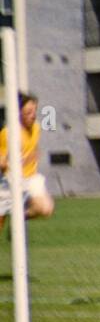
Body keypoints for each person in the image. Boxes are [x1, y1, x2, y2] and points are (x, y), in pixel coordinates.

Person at [0, 92, 56, 232]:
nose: (33, 115)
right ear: (18, 112)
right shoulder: (8, 133)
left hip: (30, 178)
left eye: (35, 111)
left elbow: (33, 148)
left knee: (46, 209)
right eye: (28, 112)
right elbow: (2, 162)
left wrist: (34, 155)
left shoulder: (36, 128)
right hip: (10, 181)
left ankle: (19, 219)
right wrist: (16, 163)